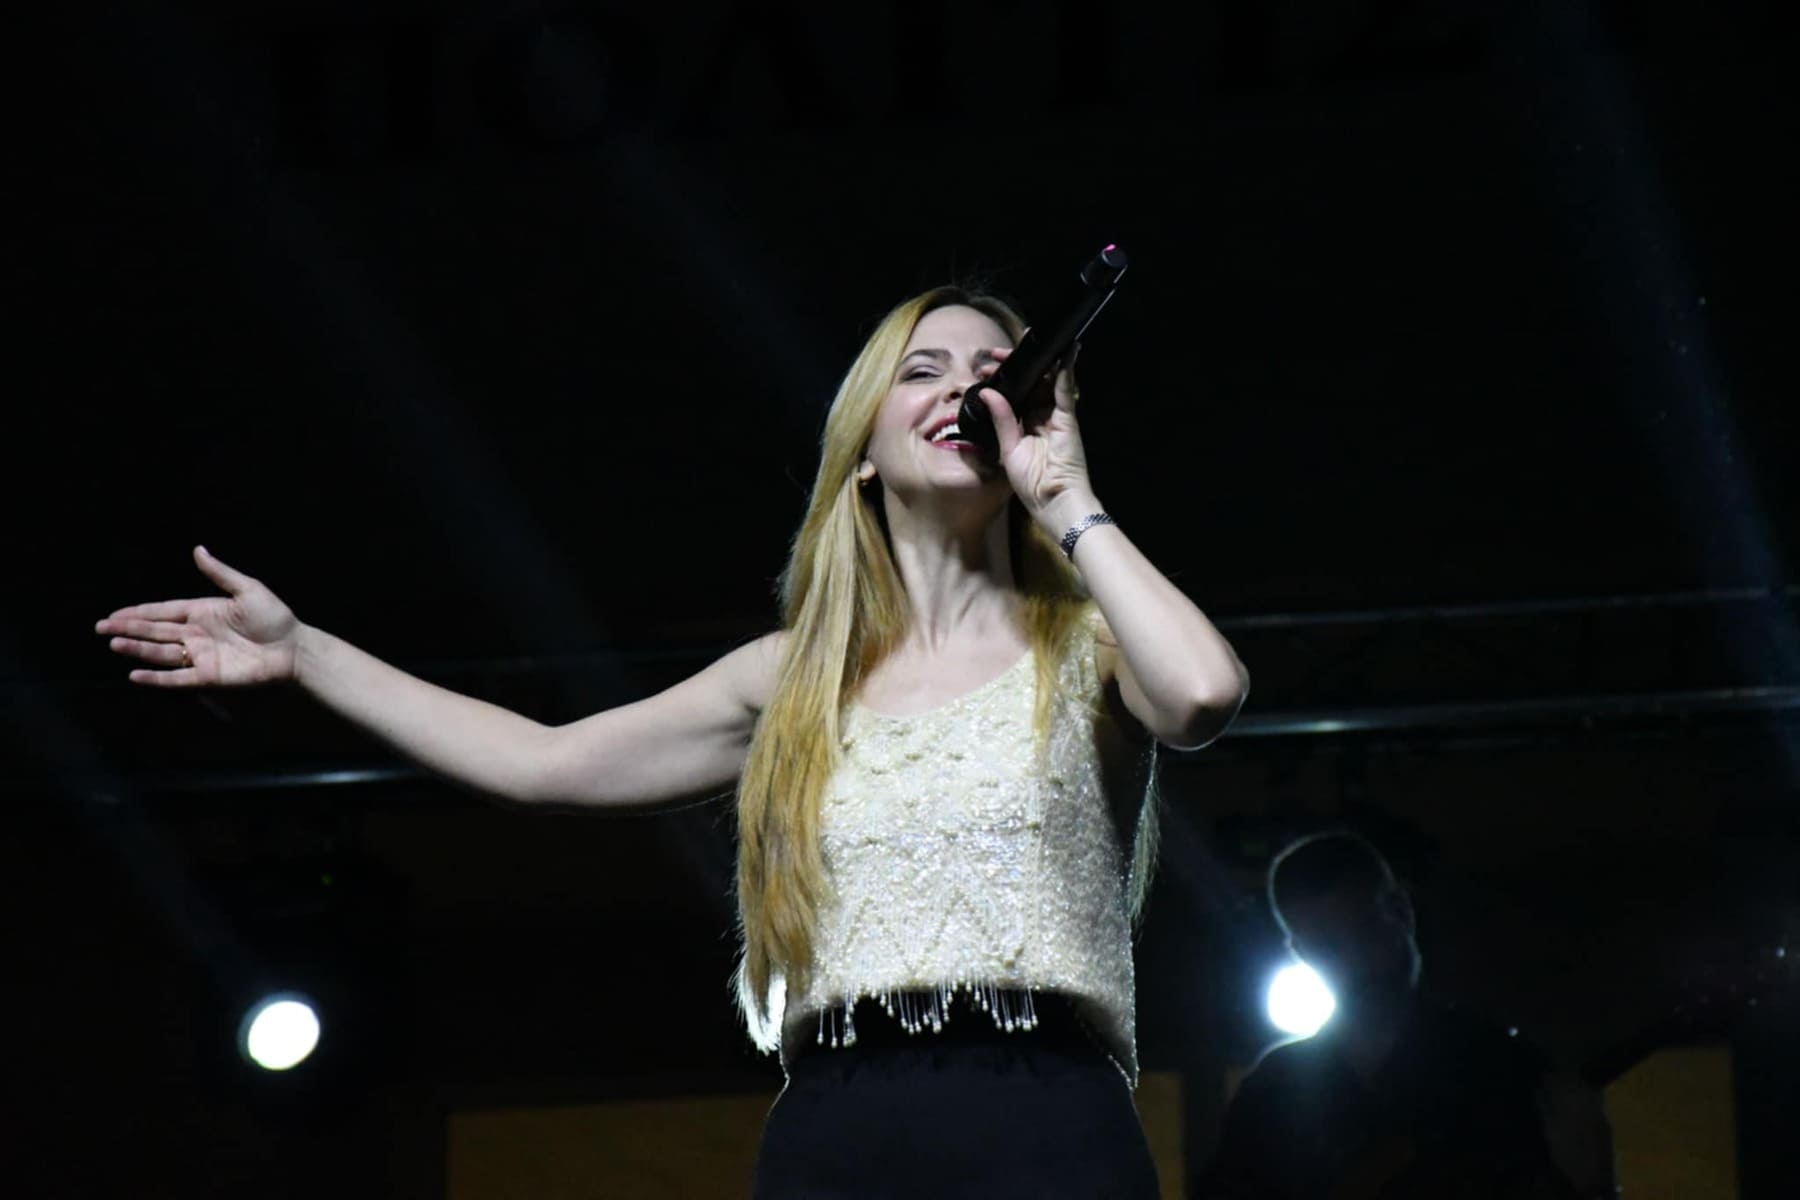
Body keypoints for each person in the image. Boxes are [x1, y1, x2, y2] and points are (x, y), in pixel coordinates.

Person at [96, 286, 1250, 1196]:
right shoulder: (789, 680)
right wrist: (305, 653)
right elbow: (545, 764)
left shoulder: (1090, 642)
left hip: (1049, 1119)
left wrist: (1066, 497)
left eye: (994, 372)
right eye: (922, 370)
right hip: (841, 1129)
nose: (963, 388)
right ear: (863, 447)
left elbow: (1202, 694)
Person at [1196, 831, 1617, 1200]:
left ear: (1401, 910)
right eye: (1327, 944)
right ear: (1301, 952)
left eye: (1364, 929)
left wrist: (1591, 1183)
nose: (1355, 959)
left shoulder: (1501, 1067)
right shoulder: (1274, 1093)